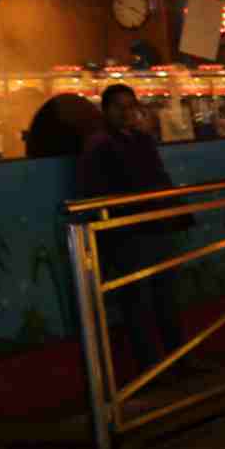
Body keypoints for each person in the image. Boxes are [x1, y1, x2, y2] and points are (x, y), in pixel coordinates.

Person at [78, 84, 188, 374]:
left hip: (152, 225)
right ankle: (155, 367)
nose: (127, 112)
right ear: (106, 110)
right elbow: (99, 189)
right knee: (140, 302)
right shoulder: (101, 145)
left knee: (163, 297)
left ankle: (174, 361)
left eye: (130, 106)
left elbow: (158, 177)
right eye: (120, 107)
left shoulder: (139, 139)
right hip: (130, 231)